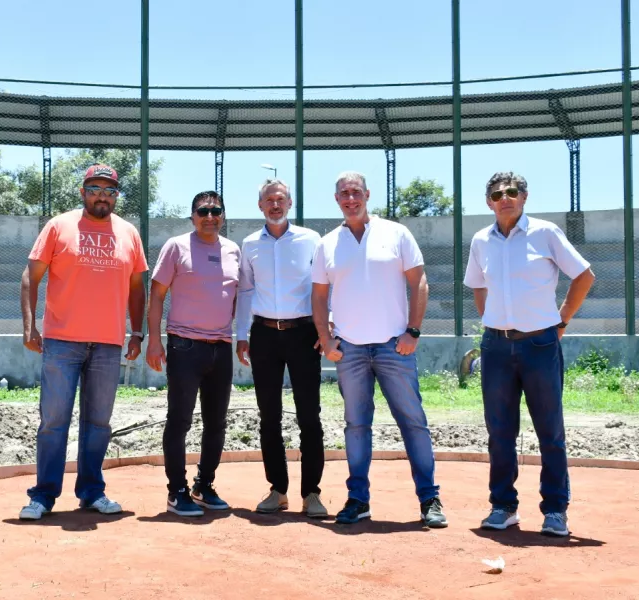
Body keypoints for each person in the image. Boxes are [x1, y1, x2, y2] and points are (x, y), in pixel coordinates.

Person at [311, 171, 448, 528]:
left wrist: (412, 331)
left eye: (356, 192)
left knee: (413, 423)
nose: (350, 199)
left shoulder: (396, 233)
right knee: (356, 426)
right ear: (337, 199)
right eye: (344, 193)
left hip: (394, 347)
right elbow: (319, 295)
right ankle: (358, 500)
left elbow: (419, 282)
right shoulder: (327, 244)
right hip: (350, 350)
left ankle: (429, 499)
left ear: (367, 194)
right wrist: (326, 339)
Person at [464, 172, 595, 537]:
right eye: (497, 194)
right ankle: (503, 506)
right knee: (499, 431)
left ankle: (555, 510)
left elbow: (584, 276)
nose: (505, 198)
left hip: (540, 344)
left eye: (512, 192)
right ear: (488, 202)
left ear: (524, 197)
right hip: (496, 347)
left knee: (550, 431)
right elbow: (477, 285)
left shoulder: (545, 233)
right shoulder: (481, 240)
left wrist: (561, 320)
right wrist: (494, 320)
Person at [18, 164, 147, 520]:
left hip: (108, 343)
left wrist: (137, 333)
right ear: (82, 192)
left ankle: (91, 491)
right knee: (53, 421)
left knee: (99, 423)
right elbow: (30, 277)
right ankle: (43, 495)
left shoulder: (129, 233)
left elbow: (137, 288)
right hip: (62, 342)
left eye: (109, 190)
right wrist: (29, 327)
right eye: (94, 189)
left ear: (116, 196)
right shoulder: (59, 226)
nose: (102, 196)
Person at [235, 179, 327, 518]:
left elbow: (323, 286)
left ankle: (312, 493)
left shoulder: (311, 240)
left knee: (309, 415)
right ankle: (278, 490)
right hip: (263, 335)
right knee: (268, 416)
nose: (275, 205)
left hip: (304, 334)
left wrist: (326, 327)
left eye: (281, 199)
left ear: (289, 203)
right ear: (260, 205)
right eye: (269, 200)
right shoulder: (249, 244)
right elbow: (245, 290)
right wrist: (241, 334)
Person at [146, 190, 240, 517]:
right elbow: (157, 294)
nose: (209, 217)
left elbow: (237, 298)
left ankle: (204, 486)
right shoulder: (176, 246)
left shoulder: (233, 251)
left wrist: (240, 336)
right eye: (203, 211)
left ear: (223, 216)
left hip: (222, 348)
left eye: (216, 211)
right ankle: (177, 492)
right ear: (192, 216)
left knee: (217, 423)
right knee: (180, 420)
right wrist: (154, 341)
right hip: (184, 346)